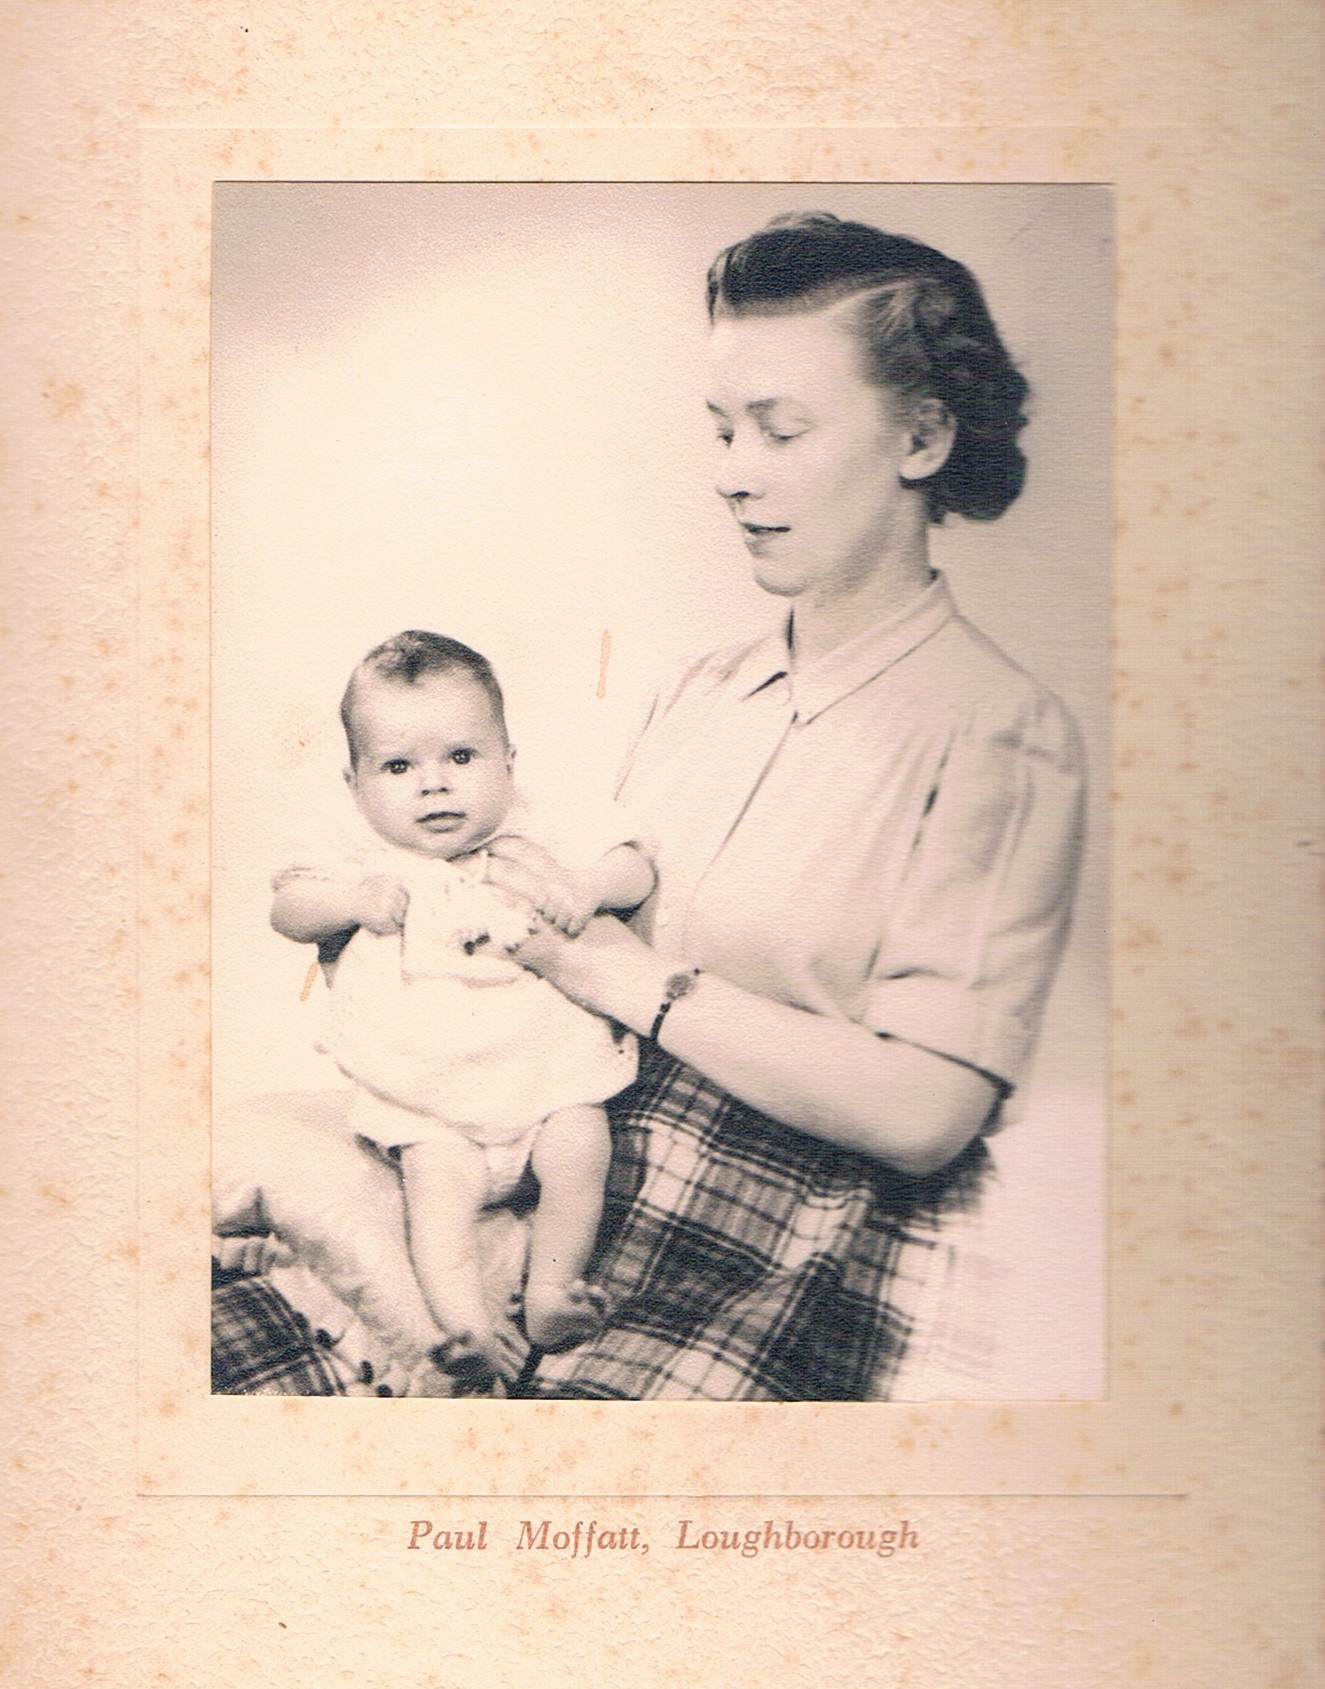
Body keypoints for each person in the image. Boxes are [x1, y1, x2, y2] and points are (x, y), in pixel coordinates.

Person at [482, 212, 1086, 1400]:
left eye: (779, 428)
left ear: (921, 436)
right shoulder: (693, 694)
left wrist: (631, 981)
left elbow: (925, 1111)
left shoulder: (998, 735)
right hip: (570, 1183)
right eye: (721, 428)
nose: (731, 472)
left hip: (786, 1240)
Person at [269, 630, 655, 1385]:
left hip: (549, 1077)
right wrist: (351, 901)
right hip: (429, 1099)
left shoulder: (537, 824)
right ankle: (466, 1327)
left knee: (581, 1148)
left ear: (509, 759)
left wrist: (582, 887)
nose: (434, 786)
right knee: (437, 1193)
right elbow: (288, 909)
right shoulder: (361, 851)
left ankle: (550, 1294)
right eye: (398, 766)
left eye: (462, 756)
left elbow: (634, 867)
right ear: (355, 783)